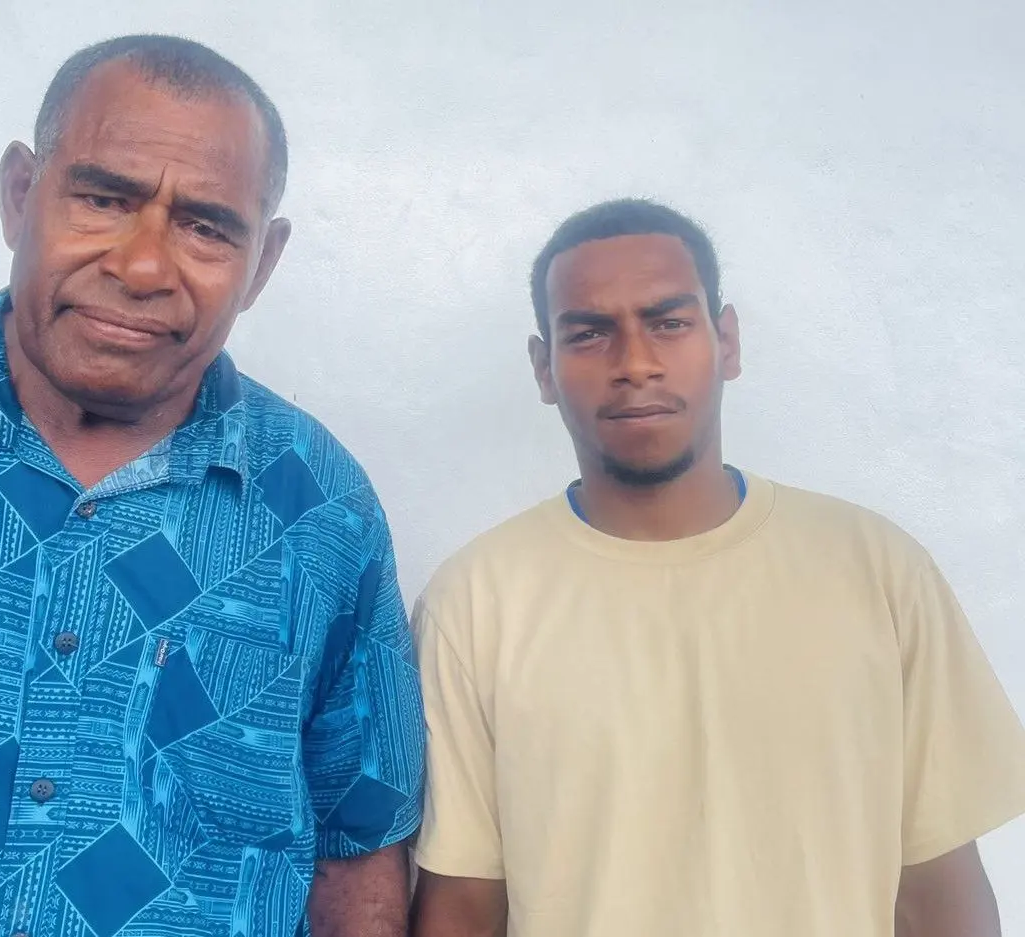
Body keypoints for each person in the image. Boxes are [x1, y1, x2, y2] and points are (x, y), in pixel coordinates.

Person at [0, 34, 423, 937]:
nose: (142, 266)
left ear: (263, 261)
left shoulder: (322, 511)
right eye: (104, 198)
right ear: (21, 194)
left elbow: (359, 847)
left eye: (206, 227)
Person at [408, 198, 1025, 937]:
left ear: (726, 340)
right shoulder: (475, 603)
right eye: (589, 333)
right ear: (544, 367)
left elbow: (938, 892)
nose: (635, 363)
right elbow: (464, 908)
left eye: (669, 321)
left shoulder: (877, 571)